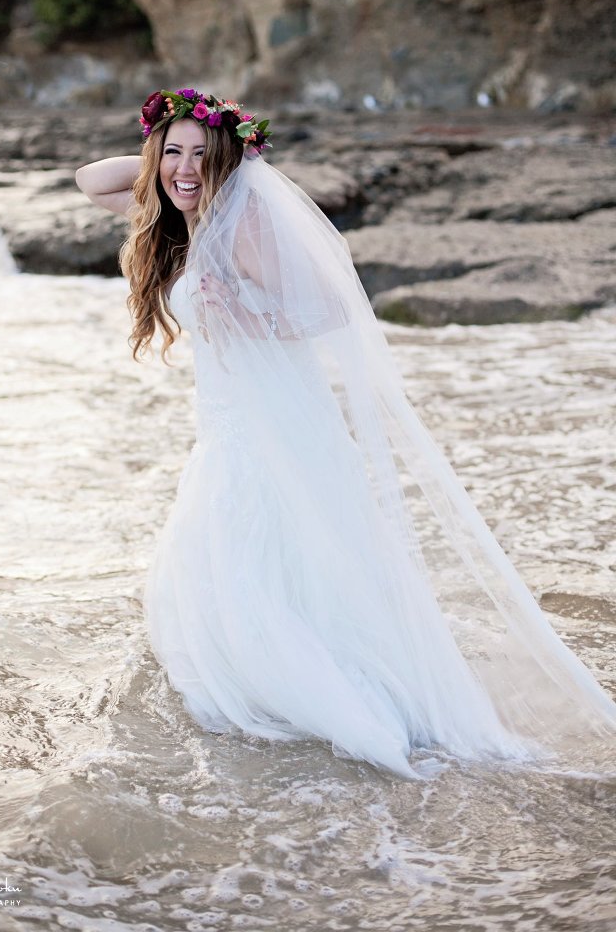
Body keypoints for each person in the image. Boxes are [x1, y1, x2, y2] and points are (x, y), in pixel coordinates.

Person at [76, 87, 616, 779]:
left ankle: (313, 687)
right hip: (230, 423)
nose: (185, 168)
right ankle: (276, 667)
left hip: (270, 425)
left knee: (262, 552)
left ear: (228, 160)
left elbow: (328, 308)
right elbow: (92, 180)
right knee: (253, 557)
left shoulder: (239, 225)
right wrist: (173, 160)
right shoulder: (189, 220)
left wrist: (246, 311)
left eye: (202, 155)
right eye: (173, 154)